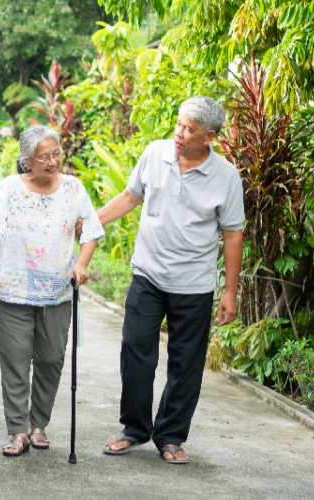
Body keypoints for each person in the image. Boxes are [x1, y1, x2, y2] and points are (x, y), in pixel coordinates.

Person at [98, 96, 245, 464]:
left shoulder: (225, 176)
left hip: (193, 285)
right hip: (147, 275)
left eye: (189, 130)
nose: (179, 134)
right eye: (178, 125)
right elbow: (130, 197)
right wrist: (90, 220)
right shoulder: (154, 153)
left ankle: (171, 437)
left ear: (209, 136)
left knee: (186, 364)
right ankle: (134, 429)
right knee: (135, 352)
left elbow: (232, 234)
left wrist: (230, 291)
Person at [0, 125, 104, 457]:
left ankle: (39, 424)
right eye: (44, 157)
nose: (53, 162)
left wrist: (82, 264)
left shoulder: (73, 189)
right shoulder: (7, 189)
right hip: (12, 290)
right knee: (16, 361)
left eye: (56, 154)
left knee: (51, 358)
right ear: (27, 162)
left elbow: (90, 229)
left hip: (58, 290)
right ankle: (18, 430)